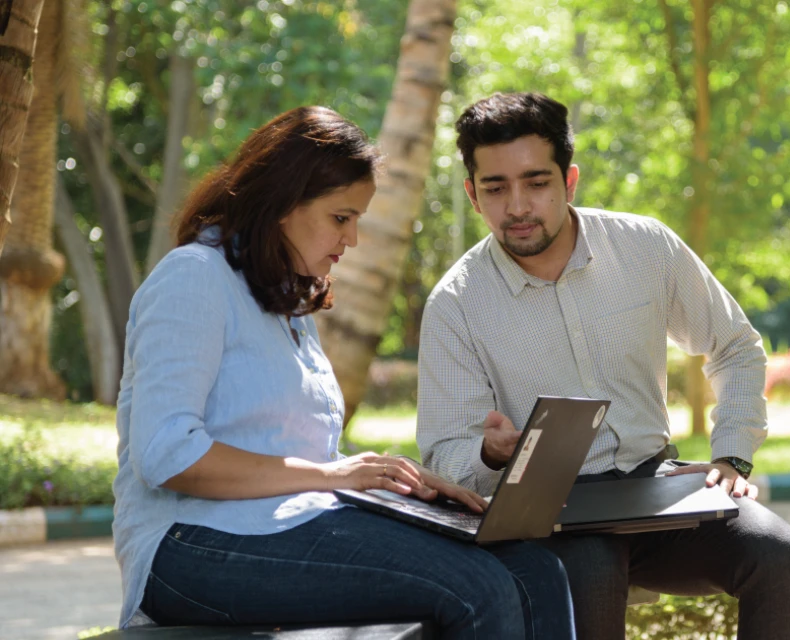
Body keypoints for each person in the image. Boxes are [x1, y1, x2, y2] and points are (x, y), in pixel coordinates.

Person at [112, 105, 576, 639]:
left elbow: (288, 451)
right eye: (341, 218)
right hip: (187, 547)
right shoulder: (193, 279)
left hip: (286, 521)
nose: (351, 240)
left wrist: (386, 479)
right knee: (477, 587)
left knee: (532, 567)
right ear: (283, 202)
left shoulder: (281, 297)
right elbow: (166, 454)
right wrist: (334, 475)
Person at [416, 92, 790, 639]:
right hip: (551, 507)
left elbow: (736, 347)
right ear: (472, 194)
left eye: (537, 182)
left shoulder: (645, 248)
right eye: (496, 188)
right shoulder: (457, 304)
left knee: (779, 556)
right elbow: (442, 454)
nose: (518, 206)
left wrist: (732, 456)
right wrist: (489, 450)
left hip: (658, 485)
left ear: (569, 181)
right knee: (592, 575)